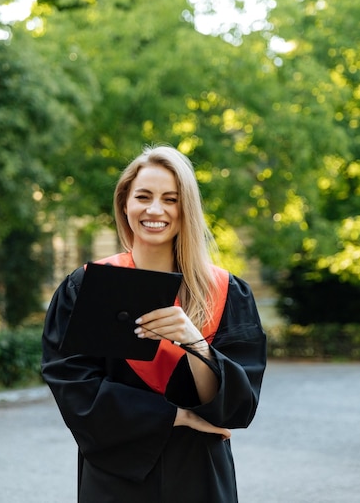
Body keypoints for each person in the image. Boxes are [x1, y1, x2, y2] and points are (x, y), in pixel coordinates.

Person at [41, 145, 266, 503]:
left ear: (185, 208)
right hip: (116, 476)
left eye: (171, 199)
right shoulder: (88, 287)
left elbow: (237, 407)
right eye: (143, 196)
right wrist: (175, 416)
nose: (155, 209)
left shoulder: (226, 293)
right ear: (125, 204)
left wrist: (195, 342)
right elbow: (73, 386)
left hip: (200, 473)